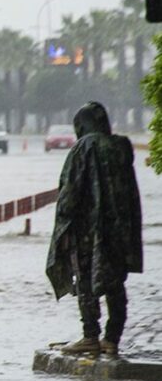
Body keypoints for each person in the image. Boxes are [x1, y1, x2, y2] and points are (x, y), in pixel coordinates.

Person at [46, 102, 143, 355]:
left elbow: (70, 192)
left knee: (87, 279)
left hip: (90, 229)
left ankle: (90, 336)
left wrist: (63, 225)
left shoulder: (83, 147)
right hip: (121, 229)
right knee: (115, 281)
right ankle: (112, 338)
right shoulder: (122, 147)